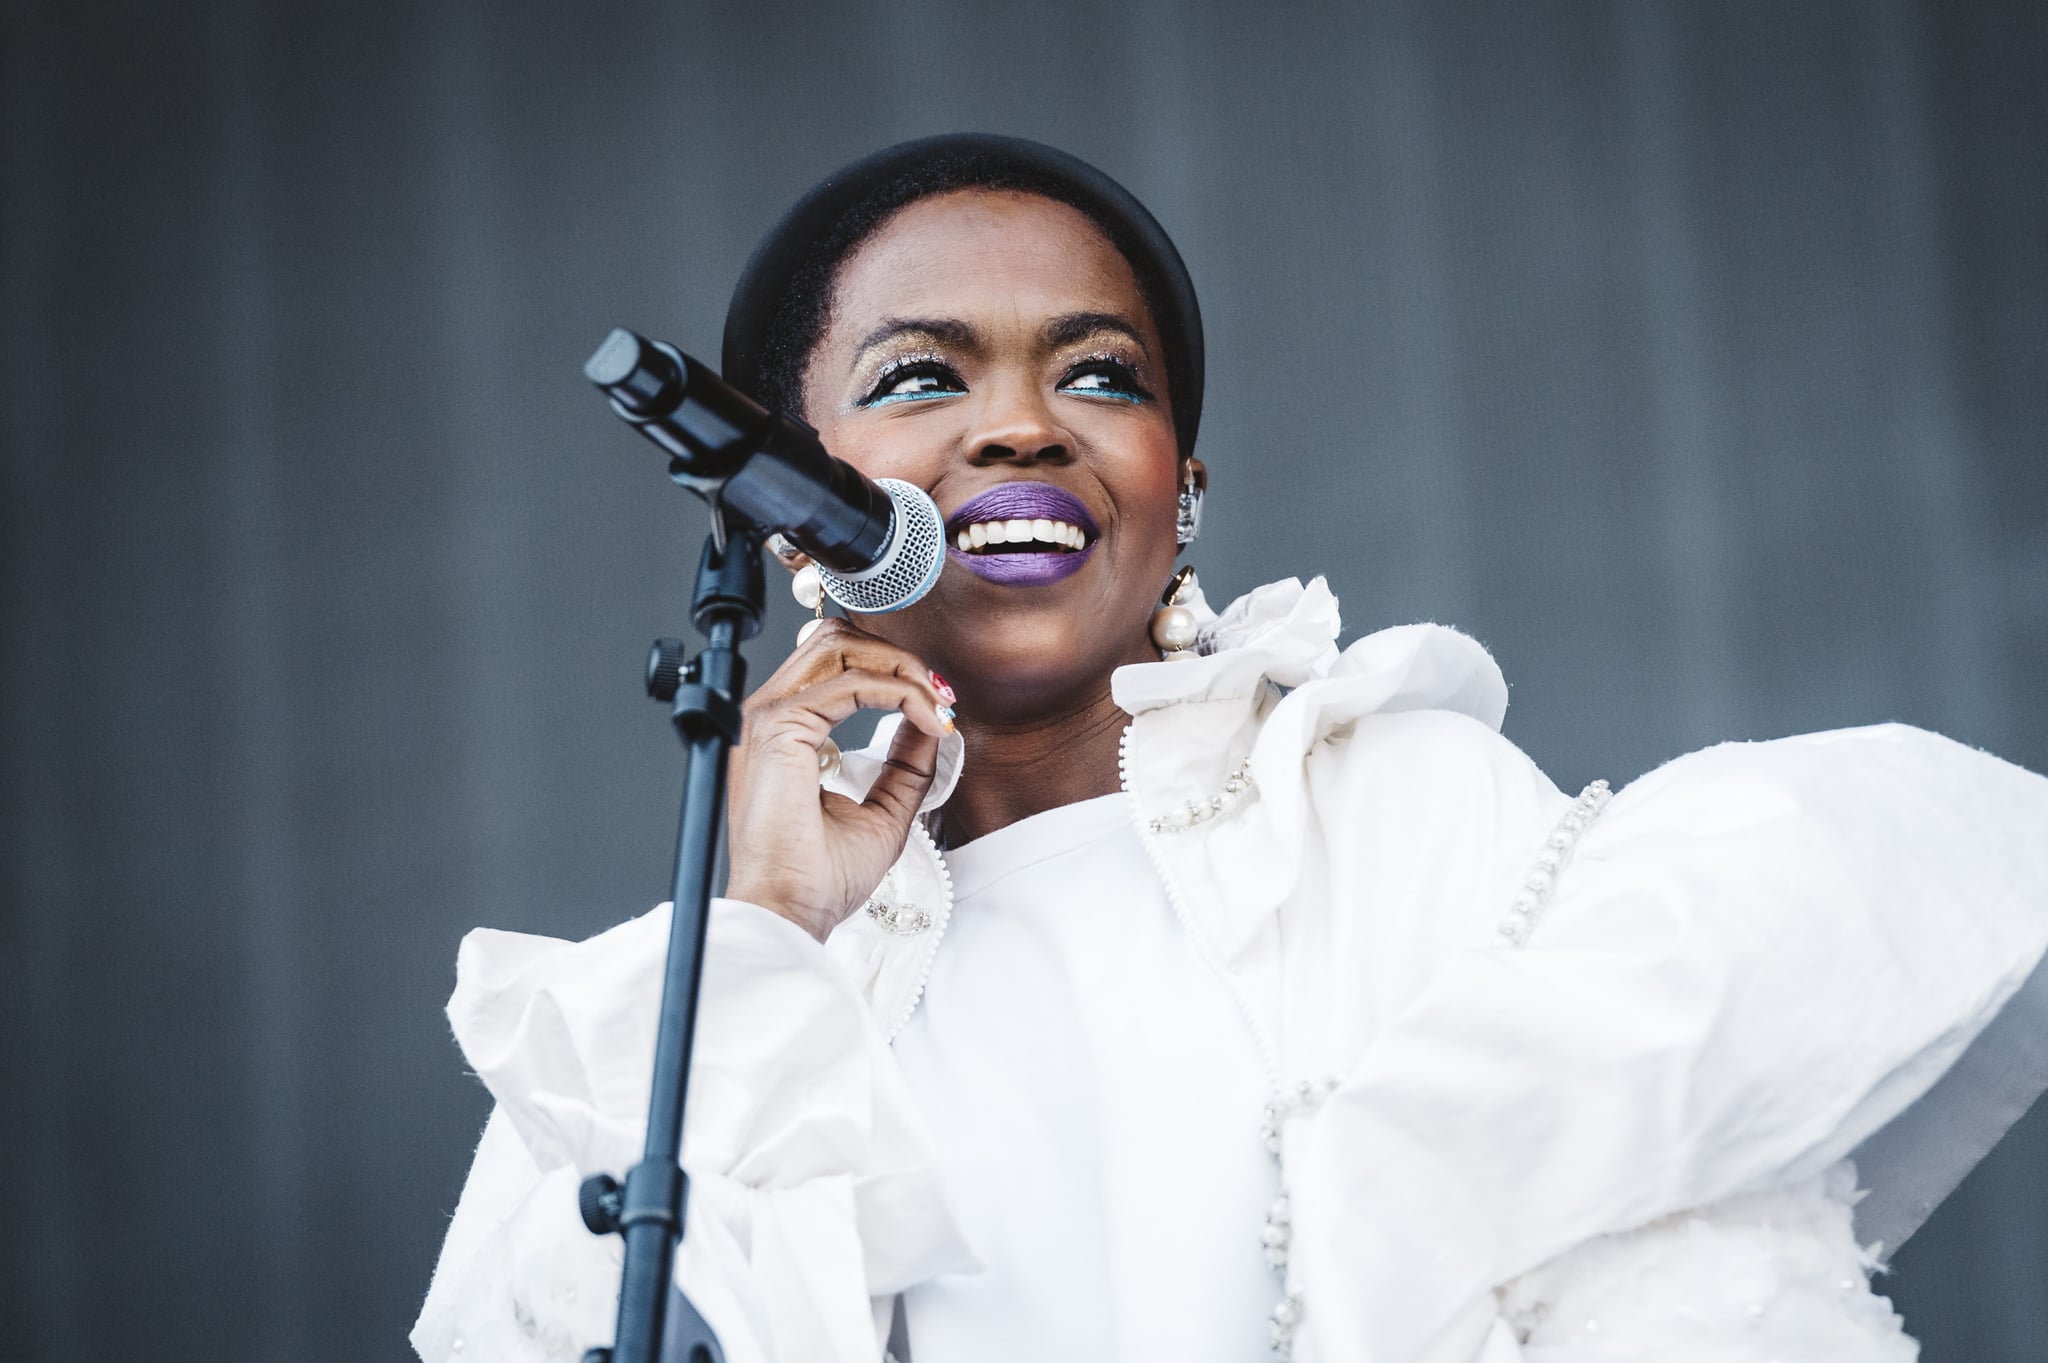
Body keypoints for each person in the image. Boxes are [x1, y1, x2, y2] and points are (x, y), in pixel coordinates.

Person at [411, 135, 2048, 1363]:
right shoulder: (677, 1006)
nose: (1022, 425)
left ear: (1179, 492)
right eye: (923, 376)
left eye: (1098, 376)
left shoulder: (1407, 811)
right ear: (785, 513)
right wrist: (763, 922)